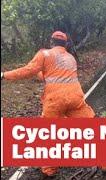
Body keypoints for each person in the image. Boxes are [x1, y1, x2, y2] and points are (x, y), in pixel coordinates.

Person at [1, 31, 95, 177]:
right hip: (75, 98)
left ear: (51, 42)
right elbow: (51, 74)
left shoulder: (44, 54)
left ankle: (49, 170)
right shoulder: (71, 58)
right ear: (65, 44)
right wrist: (41, 71)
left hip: (55, 101)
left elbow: (28, 71)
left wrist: (4, 75)